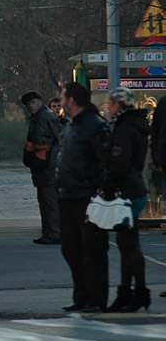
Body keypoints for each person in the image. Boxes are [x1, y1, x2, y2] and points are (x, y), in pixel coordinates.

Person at [55, 81, 111, 313]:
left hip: (87, 196)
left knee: (93, 249)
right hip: (68, 195)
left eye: (63, 96)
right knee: (70, 247)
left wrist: (98, 189)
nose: (60, 101)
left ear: (72, 100)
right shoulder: (71, 125)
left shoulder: (94, 125)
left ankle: (95, 299)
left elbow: (106, 161)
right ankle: (81, 296)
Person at [102, 87, 151, 312]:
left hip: (126, 191)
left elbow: (119, 163)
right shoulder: (136, 126)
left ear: (118, 106)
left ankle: (136, 292)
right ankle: (129, 292)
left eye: (111, 104)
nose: (108, 108)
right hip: (135, 187)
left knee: (129, 245)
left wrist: (108, 186)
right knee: (128, 244)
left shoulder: (123, 129)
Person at [21, 91, 61, 245]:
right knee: (44, 200)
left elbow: (61, 138)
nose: (31, 106)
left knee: (50, 201)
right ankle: (48, 232)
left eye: (33, 102)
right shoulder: (37, 118)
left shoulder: (48, 116)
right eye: (28, 104)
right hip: (41, 166)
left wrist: (53, 158)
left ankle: (54, 233)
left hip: (48, 166)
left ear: (39, 101)